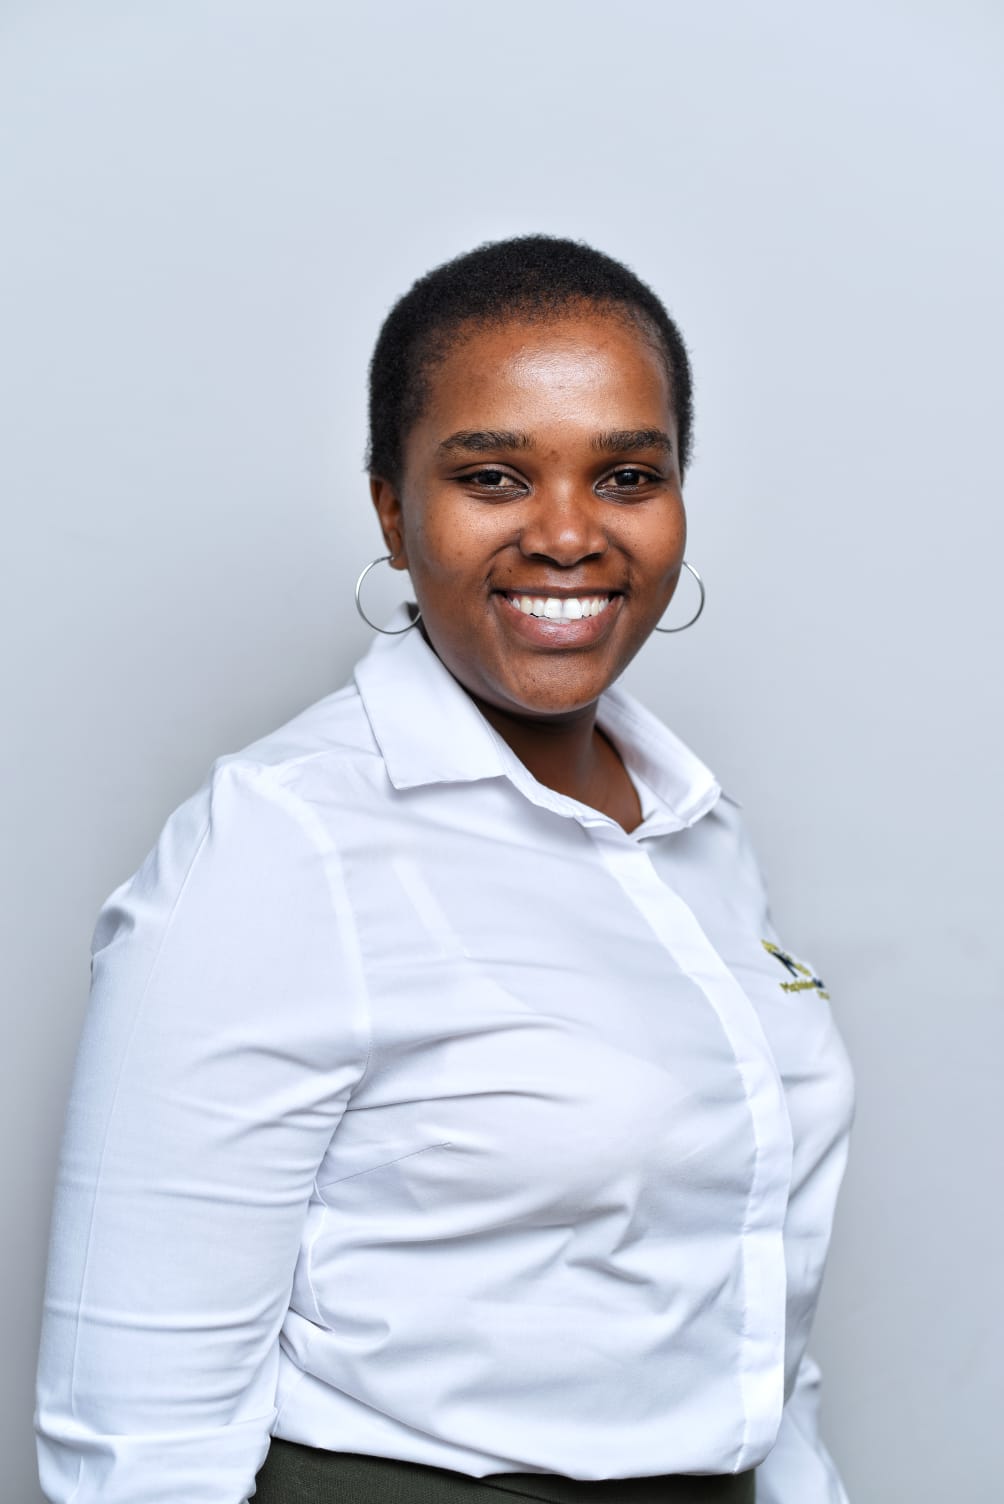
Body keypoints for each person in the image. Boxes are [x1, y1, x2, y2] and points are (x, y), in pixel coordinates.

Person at [35, 236, 855, 1504]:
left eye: (626, 475)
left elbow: (749, 1312)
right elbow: (135, 1443)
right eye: (491, 477)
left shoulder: (695, 831)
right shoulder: (281, 841)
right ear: (391, 509)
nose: (568, 534)